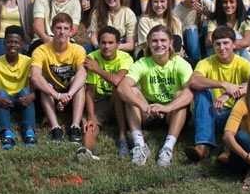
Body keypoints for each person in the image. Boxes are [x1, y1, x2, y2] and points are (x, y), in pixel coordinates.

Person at [116, 26, 194, 167]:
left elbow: (190, 94)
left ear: (170, 43)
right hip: (148, 112)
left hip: (172, 113)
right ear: (148, 44)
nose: (159, 44)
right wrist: (144, 106)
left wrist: (167, 107)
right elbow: (122, 87)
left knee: (180, 94)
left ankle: (167, 148)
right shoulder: (143, 63)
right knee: (131, 91)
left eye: (163, 40)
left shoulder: (181, 64)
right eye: (154, 41)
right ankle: (139, 145)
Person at [184, 26, 250, 162]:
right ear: (213, 46)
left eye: (226, 43)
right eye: (218, 44)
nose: (222, 48)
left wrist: (228, 94)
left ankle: (228, 148)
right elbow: (194, 80)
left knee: (245, 96)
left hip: (234, 114)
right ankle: (203, 146)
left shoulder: (242, 63)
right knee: (201, 90)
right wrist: (224, 85)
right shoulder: (206, 62)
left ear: (234, 44)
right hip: (210, 113)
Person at [76, 26, 133, 162]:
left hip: (119, 101)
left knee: (117, 89)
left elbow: (116, 80)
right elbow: (90, 91)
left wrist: (97, 69)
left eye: (111, 43)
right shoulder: (92, 58)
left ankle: (122, 138)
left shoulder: (126, 58)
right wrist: (90, 117)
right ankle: (87, 150)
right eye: (103, 42)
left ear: (118, 44)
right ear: (99, 43)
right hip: (99, 100)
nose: (106, 46)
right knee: (89, 125)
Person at [30, 13, 87, 143]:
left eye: (66, 28)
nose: (62, 32)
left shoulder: (78, 49)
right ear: (52, 29)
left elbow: (82, 73)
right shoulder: (41, 50)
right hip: (52, 92)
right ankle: (55, 127)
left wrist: (68, 95)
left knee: (78, 82)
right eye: (58, 28)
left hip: (70, 91)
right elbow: (35, 76)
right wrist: (57, 96)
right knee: (46, 85)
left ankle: (75, 126)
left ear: (71, 31)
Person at [0, 26, 36, 149]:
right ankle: (6, 132)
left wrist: (32, 95)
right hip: (5, 99)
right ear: (4, 43)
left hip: (22, 98)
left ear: (22, 45)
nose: (12, 45)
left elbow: (34, 85)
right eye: (9, 42)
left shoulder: (28, 62)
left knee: (26, 91)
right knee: (1, 93)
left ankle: (29, 131)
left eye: (16, 42)